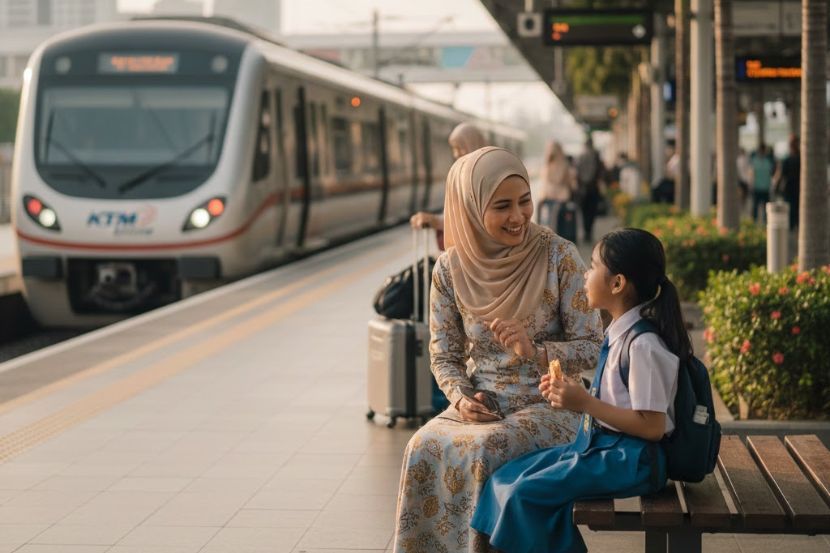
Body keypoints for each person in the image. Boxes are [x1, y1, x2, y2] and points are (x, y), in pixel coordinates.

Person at [393, 147, 603, 553]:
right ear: (471, 210)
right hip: (483, 401)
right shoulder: (449, 270)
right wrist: (461, 396)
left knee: (486, 449)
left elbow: (595, 347)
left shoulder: (559, 256)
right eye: (502, 206)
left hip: (554, 403)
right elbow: (445, 355)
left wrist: (538, 351)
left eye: (525, 201)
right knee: (421, 445)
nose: (519, 216)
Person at [471, 228, 688, 553]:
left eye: (593, 266)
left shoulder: (643, 345)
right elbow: (619, 400)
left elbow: (652, 427)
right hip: (602, 447)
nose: (585, 275)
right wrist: (571, 394)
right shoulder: (618, 333)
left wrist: (585, 402)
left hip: (633, 459)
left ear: (617, 283)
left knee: (525, 495)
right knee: (504, 478)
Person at [410, 122, 487, 250]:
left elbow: (473, 222)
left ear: (474, 145)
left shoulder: (485, 177)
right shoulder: (462, 176)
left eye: (460, 148)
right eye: (454, 149)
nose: (456, 154)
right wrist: (432, 220)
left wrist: (435, 221)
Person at [537, 141, 575, 230]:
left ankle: (550, 232)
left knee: (553, 215)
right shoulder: (561, 163)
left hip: (556, 196)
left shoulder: (553, 164)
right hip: (554, 196)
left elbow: (554, 180)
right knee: (553, 216)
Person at [574, 137, 603, 243]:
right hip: (593, 188)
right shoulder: (596, 154)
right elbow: (600, 170)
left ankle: (585, 232)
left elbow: (576, 172)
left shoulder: (580, 156)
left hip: (582, 189)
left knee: (583, 211)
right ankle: (589, 232)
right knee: (592, 211)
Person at [773, 134, 800, 230]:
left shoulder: (788, 159)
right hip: (794, 189)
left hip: (791, 189)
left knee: (792, 212)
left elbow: (780, 175)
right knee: (795, 212)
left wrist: (775, 187)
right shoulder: (799, 158)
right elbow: (780, 174)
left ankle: (793, 228)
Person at [749, 143, 775, 224]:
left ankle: (765, 224)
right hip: (757, 187)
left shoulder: (768, 161)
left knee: (765, 209)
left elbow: (772, 174)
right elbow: (751, 174)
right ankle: (753, 223)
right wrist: (751, 185)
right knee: (755, 208)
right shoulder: (754, 160)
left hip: (766, 188)